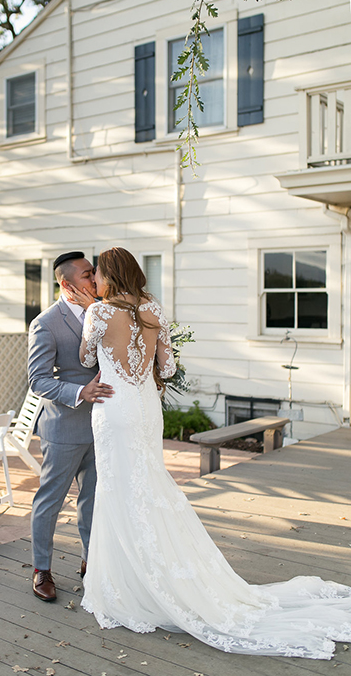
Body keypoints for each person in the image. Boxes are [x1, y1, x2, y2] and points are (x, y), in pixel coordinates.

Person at [69, 246, 351, 660]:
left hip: (114, 408)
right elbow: (166, 369)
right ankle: (154, 575)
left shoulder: (97, 313)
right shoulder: (155, 310)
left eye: (99, 275)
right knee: (149, 485)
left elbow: (85, 357)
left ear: (109, 276)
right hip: (146, 407)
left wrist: (98, 323)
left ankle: (129, 586)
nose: (95, 282)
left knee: (118, 490)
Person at [27, 251, 114, 602]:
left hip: (103, 425)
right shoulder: (46, 323)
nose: (94, 279)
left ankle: (90, 561)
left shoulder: (105, 310)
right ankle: (41, 570)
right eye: (87, 274)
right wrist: (80, 390)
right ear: (66, 283)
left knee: (92, 501)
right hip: (63, 429)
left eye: (94, 273)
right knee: (50, 501)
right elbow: (38, 380)